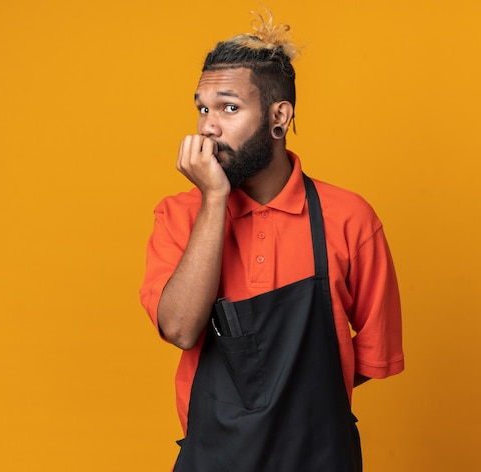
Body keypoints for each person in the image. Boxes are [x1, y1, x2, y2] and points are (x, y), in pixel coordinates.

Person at [140, 10, 404, 472]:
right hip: (213, 459)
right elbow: (180, 329)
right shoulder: (179, 215)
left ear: (279, 117)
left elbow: (374, 354)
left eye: (228, 107)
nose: (207, 127)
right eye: (202, 108)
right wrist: (215, 199)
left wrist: (294, 406)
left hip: (322, 458)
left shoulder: (349, 219)